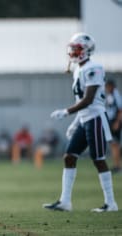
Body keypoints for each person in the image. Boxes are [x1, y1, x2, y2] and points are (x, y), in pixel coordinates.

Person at [43, 33, 118, 212]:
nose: (73, 52)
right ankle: (65, 201)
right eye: (73, 48)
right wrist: (76, 122)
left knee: (98, 159)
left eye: (76, 48)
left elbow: (89, 99)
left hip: (96, 119)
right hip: (85, 119)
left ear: (86, 50)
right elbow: (82, 101)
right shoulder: (78, 69)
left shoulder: (95, 67)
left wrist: (67, 112)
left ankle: (111, 203)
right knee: (69, 156)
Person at [105, 79, 122, 173]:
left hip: (115, 122)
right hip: (111, 121)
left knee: (115, 144)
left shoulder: (116, 94)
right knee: (112, 144)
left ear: (111, 86)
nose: (106, 89)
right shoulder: (110, 95)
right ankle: (116, 165)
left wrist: (117, 123)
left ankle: (118, 166)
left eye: (107, 86)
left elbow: (120, 109)